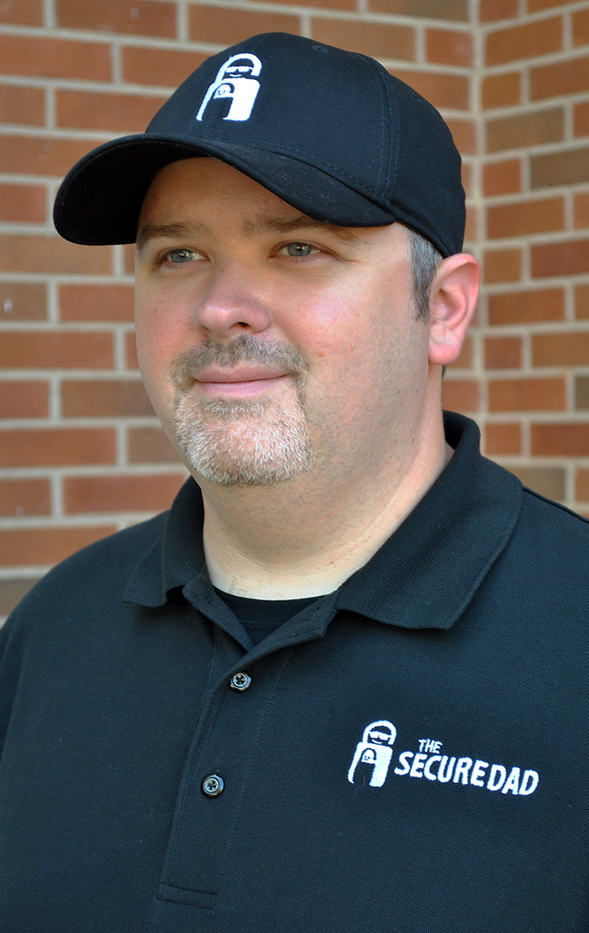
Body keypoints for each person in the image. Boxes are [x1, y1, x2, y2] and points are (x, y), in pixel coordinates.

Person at [0, 31, 588, 933]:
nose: (218, 308)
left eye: (299, 248)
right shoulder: (53, 627)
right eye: (178, 255)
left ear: (442, 309)